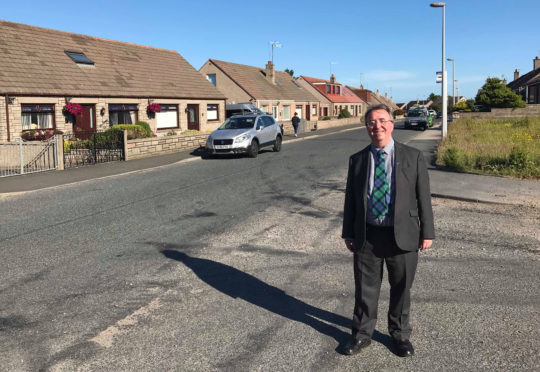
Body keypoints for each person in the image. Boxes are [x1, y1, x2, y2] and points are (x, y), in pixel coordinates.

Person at [342, 104, 434, 357]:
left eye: (382, 121)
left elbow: (423, 197)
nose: (377, 127)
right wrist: (348, 232)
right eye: (371, 122)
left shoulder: (413, 156)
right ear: (367, 128)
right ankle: (361, 335)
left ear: (392, 124)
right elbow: (351, 199)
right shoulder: (358, 160)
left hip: (403, 234)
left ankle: (400, 335)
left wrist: (428, 232)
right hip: (368, 235)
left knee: (402, 288)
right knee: (365, 288)